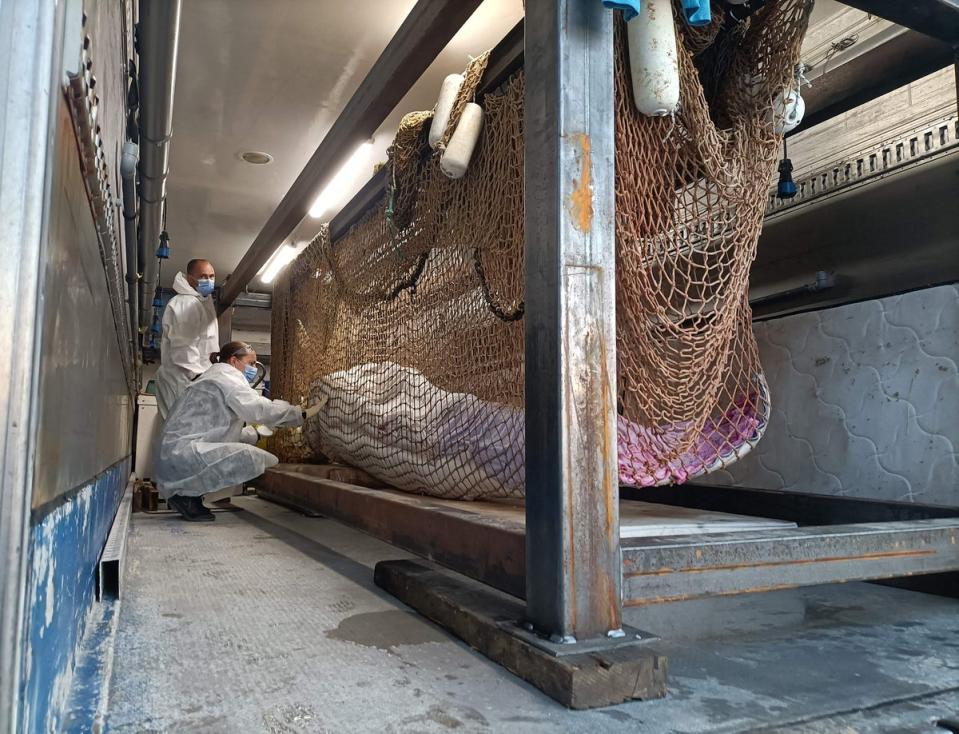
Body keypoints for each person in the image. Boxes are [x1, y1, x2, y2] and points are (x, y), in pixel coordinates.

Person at [155, 341, 324, 521]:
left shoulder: (213, 377)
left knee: (242, 454)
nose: (253, 368)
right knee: (257, 459)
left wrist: (257, 433)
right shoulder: (227, 377)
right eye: (251, 363)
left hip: (174, 454)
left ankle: (187, 495)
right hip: (182, 455)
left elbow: (217, 433)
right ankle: (185, 496)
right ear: (234, 361)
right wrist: (298, 413)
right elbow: (258, 408)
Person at [155, 259, 219, 419]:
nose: (209, 281)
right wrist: (200, 379)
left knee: (187, 432)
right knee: (183, 432)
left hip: (189, 379)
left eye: (212, 276)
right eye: (203, 276)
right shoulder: (186, 303)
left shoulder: (201, 302)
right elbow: (184, 349)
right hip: (183, 379)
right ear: (190, 278)